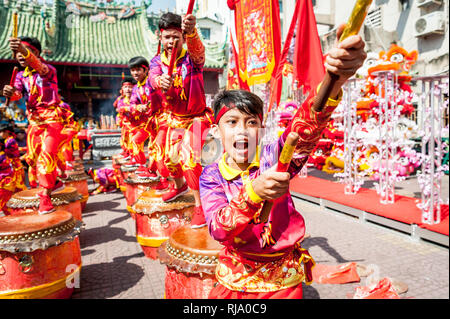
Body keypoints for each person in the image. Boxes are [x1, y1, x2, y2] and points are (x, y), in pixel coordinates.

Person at [199, 24, 367, 299]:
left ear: (261, 129)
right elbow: (218, 228)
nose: (242, 130)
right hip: (236, 275)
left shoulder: (275, 158)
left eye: (251, 122)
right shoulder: (212, 176)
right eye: (232, 122)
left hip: (283, 280)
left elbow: (304, 129)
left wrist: (334, 79)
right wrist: (252, 193)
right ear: (216, 131)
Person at [149, 11, 213, 226]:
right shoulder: (157, 61)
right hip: (173, 119)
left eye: (176, 36)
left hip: (196, 118)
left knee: (189, 155)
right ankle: (178, 186)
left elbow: (198, 50)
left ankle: (199, 206)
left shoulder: (192, 59)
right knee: (165, 157)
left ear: (183, 38)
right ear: (161, 37)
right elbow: (152, 76)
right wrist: (159, 81)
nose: (171, 41)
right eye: (167, 37)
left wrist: (193, 31)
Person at [2, 36, 66, 214]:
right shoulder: (21, 76)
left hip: (52, 120)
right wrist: (10, 92)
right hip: (34, 121)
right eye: (17, 53)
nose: (19, 56)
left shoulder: (48, 70)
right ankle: (56, 183)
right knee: (33, 158)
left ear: (35, 52)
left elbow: (39, 66)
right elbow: (17, 94)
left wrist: (23, 50)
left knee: (46, 157)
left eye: (23, 52)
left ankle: (45, 195)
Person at [125, 56, 159, 180]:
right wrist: (139, 107)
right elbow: (132, 105)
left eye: (138, 70)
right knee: (135, 141)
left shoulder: (152, 81)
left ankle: (153, 171)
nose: (135, 73)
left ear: (146, 70)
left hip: (159, 120)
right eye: (133, 70)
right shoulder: (136, 88)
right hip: (146, 123)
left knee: (154, 147)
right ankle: (141, 165)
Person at [0, 124, 26, 192]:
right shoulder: (8, 140)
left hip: (15, 166)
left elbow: (10, 154)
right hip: (14, 165)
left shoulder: (9, 141)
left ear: (7, 132)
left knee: (18, 186)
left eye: (2, 132)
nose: (0, 134)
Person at [113, 79, 135, 160]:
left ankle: (133, 155)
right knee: (124, 138)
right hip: (124, 123)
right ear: (122, 89)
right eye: (125, 87)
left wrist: (124, 108)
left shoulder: (135, 98)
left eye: (130, 87)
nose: (128, 89)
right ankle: (126, 152)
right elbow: (116, 106)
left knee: (132, 140)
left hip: (133, 124)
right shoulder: (121, 99)